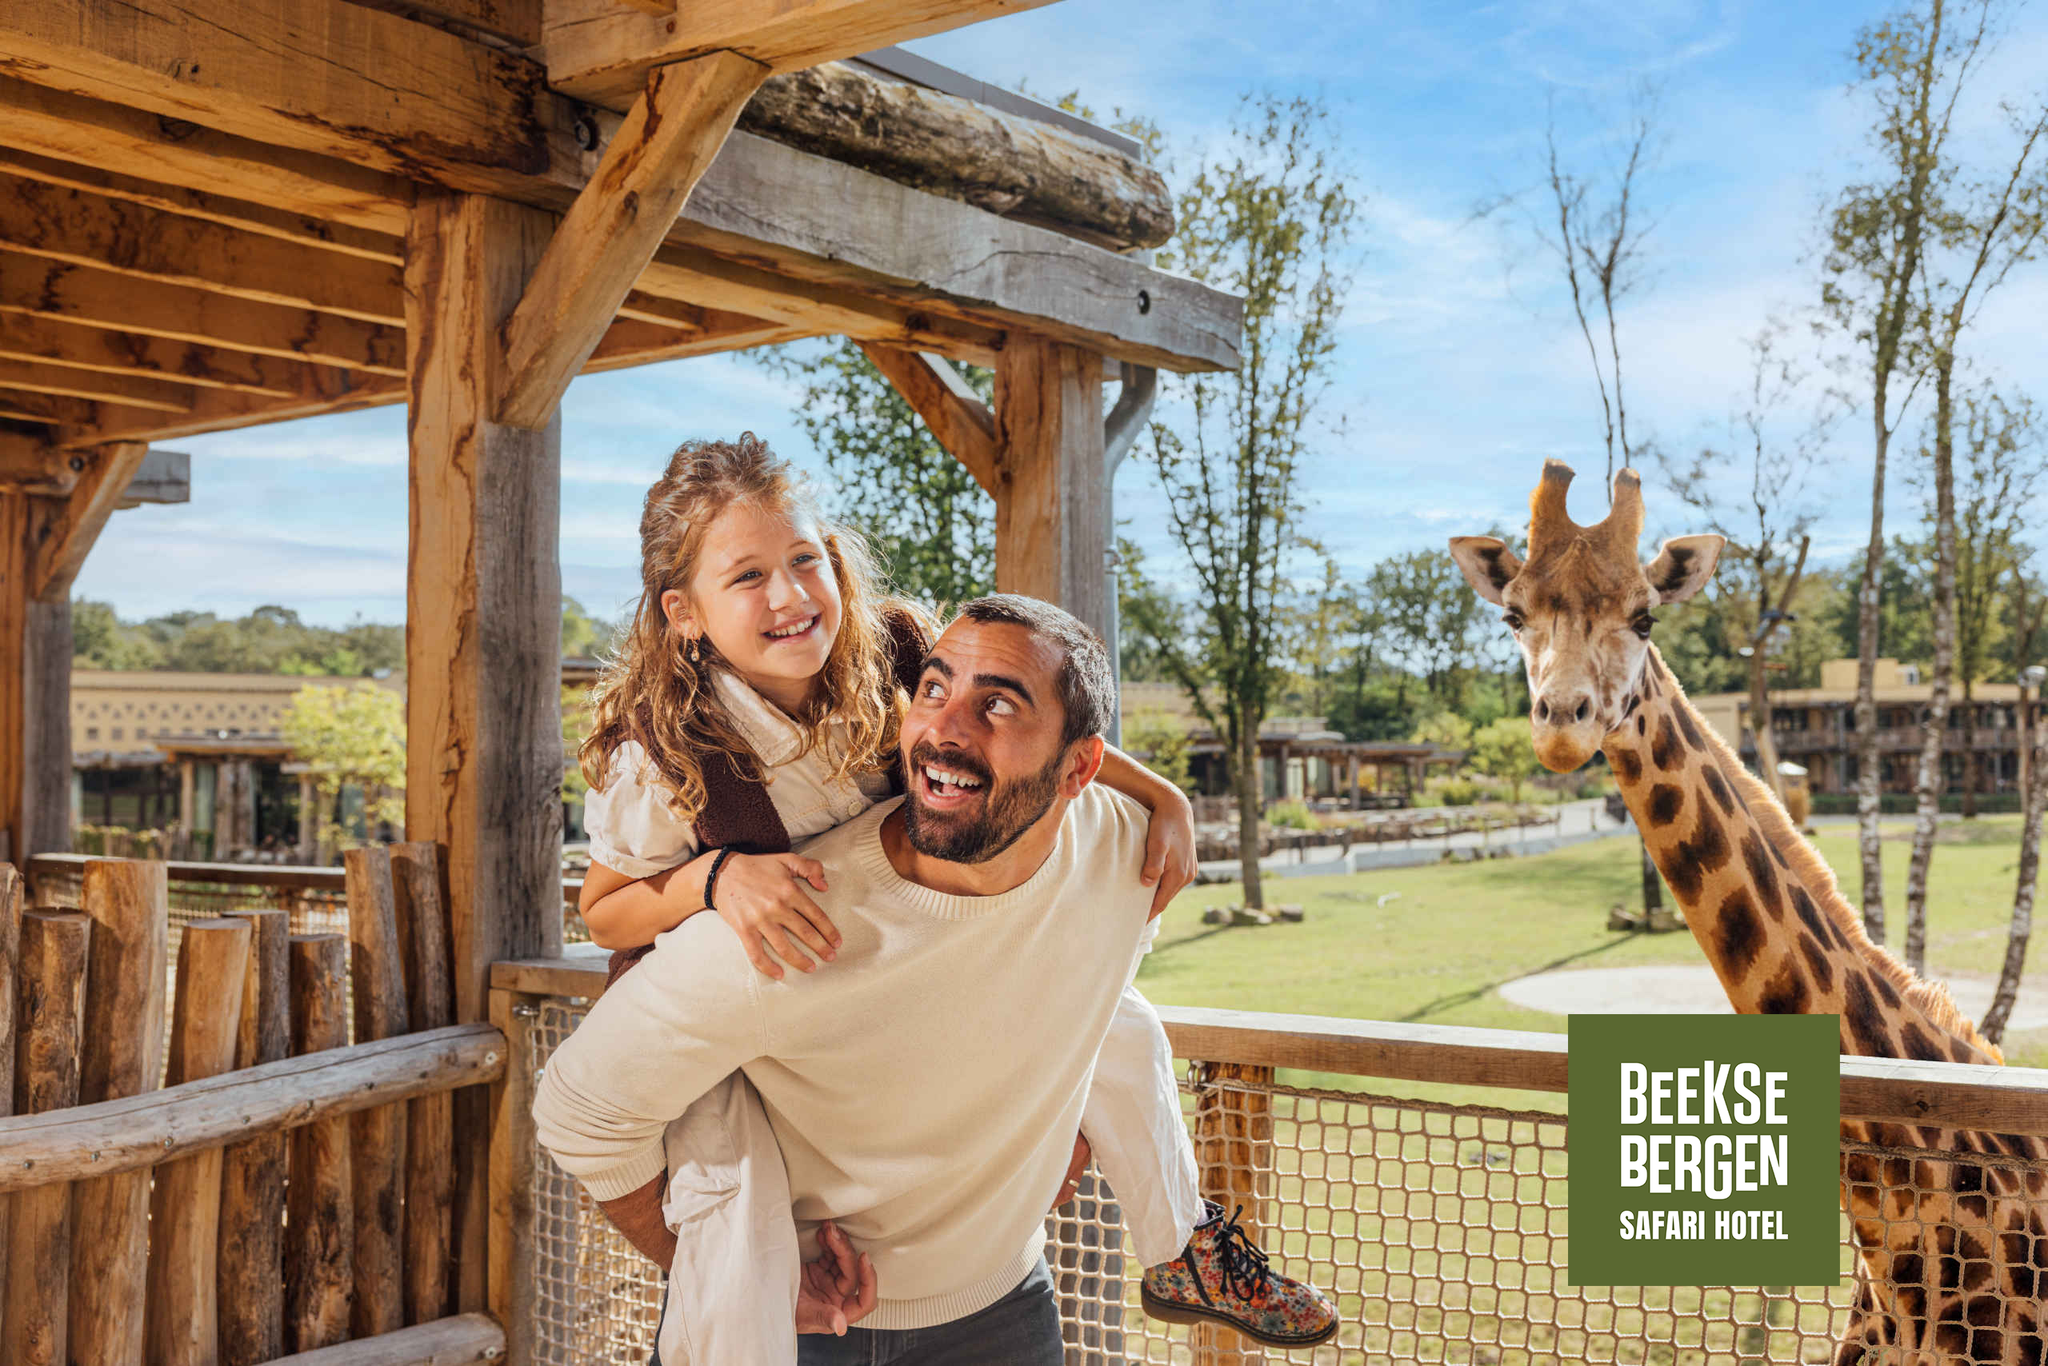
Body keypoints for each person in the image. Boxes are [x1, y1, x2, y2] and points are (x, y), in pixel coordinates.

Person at [561, 437, 1334, 1361]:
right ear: (684, 613)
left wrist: (1158, 792)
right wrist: (714, 879)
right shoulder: (667, 750)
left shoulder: (884, 648)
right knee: (739, 1231)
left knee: (1113, 1019)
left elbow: (1023, 714)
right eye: (749, 576)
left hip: (899, 947)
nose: (791, 594)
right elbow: (605, 909)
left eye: (806, 559)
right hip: (746, 1005)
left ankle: (1184, 1244)